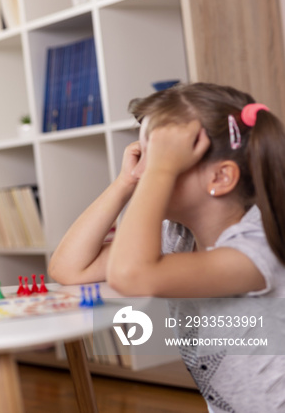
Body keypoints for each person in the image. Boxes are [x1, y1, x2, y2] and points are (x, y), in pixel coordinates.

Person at [48, 82, 285, 412]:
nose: (143, 169)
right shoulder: (177, 236)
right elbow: (69, 268)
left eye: (161, 156)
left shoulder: (256, 250)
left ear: (220, 178)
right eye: (142, 154)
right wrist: (124, 183)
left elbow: (129, 276)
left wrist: (159, 168)